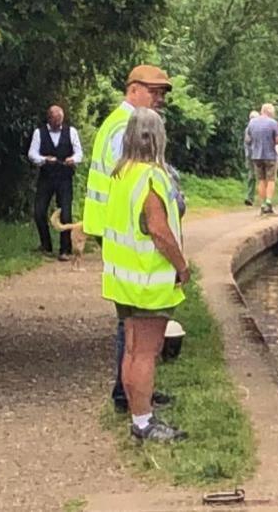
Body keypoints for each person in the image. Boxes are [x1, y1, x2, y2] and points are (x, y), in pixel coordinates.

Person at [83, 64, 173, 415]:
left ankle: (134, 391)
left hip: (113, 227)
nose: (159, 99)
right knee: (134, 320)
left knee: (130, 318)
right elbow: (131, 178)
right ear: (133, 89)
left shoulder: (116, 122)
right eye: (154, 91)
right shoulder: (126, 127)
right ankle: (131, 395)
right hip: (123, 231)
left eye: (163, 93)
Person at [103, 107, 188, 442]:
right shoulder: (153, 178)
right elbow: (159, 230)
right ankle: (143, 421)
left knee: (131, 348)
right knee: (145, 353)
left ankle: (136, 414)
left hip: (123, 278)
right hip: (148, 281)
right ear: (158, 138)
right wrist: (181, 266)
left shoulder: (121, 174)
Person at [28, 105, 82, 260]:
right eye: (56, 121)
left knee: (66, 213)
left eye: (61, 121)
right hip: (46, 177)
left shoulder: (71, 132)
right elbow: (32, 153)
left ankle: (65, 250)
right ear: (49, 119)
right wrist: (44, 159)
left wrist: (74, 159)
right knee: (39, 211)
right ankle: (46, 245)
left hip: (65, 177)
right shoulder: (39, 133)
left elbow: (79, 152)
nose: (59, 124)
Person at [247, 103, 278, 214]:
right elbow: (277, 140)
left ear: (262, 111)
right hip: (270, 155)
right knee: (271, 179)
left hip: (256, 156)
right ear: (270, 112)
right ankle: (268, 202)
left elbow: (248, 139)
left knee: (261, 180)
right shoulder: (273, 123)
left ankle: (262, 204)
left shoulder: (252, 123)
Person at [243, 110, 258, 206]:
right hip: (251, 156)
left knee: (258, 176)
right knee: (252, 176)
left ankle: (262, 198)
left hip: (258, 155)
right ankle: (250, 197)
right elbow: (247, 140)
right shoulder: (248, 129)